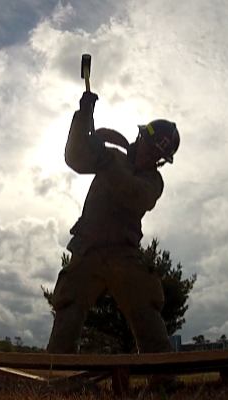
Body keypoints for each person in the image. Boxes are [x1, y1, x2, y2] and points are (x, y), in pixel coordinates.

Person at [46, 90, 180, 363]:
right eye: (149, 148)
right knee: (69, 306)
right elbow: (75, 157)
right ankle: (59, 373)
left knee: (145, 308)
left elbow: (135, 196)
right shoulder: (114, 158)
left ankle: (162, 376)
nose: (149, 158)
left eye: (157, 156)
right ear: (140, 138)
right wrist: (84, 117)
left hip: (125, 255)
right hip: (88, 249)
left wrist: (106, 161)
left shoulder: (153, 181)